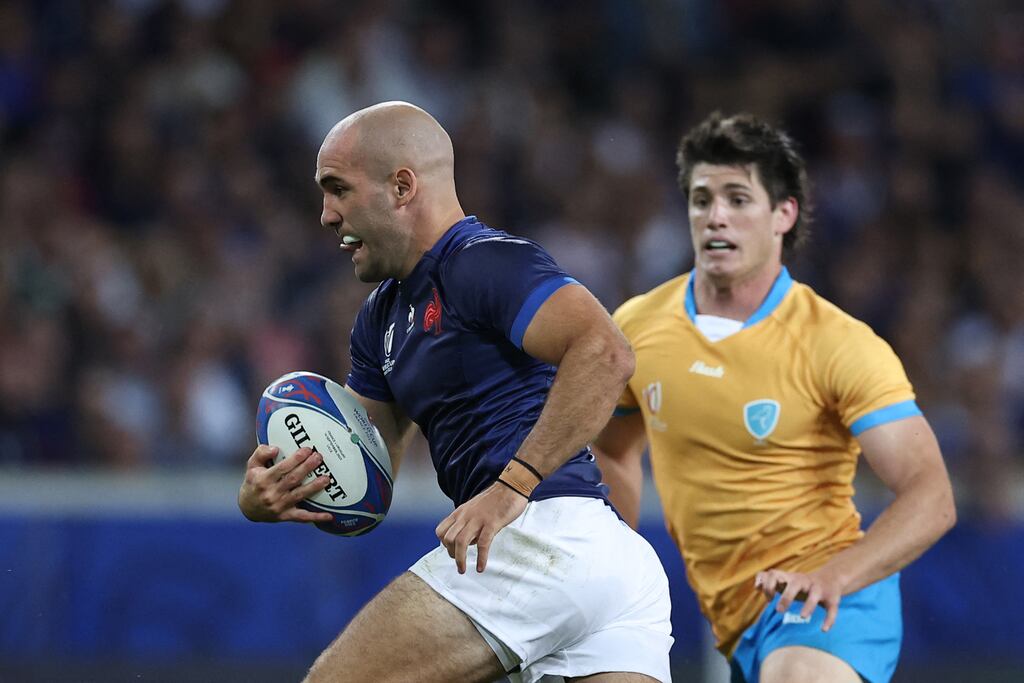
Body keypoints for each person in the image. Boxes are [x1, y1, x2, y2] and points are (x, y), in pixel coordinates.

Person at [237, 101, 674, 683]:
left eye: (337, 189)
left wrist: (511, 485)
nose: (325, 215)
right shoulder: (380, 319)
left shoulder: (483, 261)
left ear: (401, 186)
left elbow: (607, 354)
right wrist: (267, 499)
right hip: (600, 564)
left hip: (545, 537)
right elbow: (364, 489)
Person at [594, 112, 956, 683]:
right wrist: (614, 571)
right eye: (701, 198)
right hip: (736, 621)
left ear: (783, 214)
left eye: (738, 199)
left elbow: (931, 496)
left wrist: (834, 577)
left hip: (831, 603)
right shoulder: (636, 328)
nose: (716, 215)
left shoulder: (837, 343)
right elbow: (613, 451)